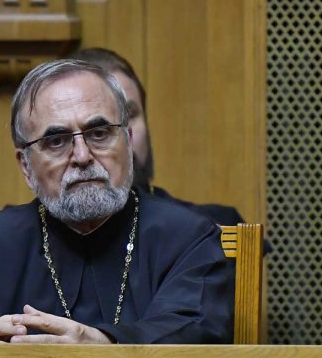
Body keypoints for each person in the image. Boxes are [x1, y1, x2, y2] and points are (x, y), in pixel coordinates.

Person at [0, 58, 234, 344]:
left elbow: (198, 328)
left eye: (99, 134)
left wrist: (106, 342)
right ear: (25, 165)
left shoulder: (189, 237)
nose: (82, 156)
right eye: (56, 141)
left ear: (128, 141)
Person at [70, 47, 245, 228]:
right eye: (99, 127)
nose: (122, 135)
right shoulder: (39, 238)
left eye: (128, 116)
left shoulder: (207, 229)